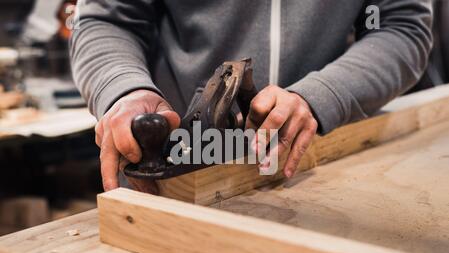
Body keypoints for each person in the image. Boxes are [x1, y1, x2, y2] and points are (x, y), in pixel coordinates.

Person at [70, 0, 432, 193]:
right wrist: (124, 88)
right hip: (175, 178)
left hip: (315, 167)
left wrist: (323, 95)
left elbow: (400, 27)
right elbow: (107, 20)